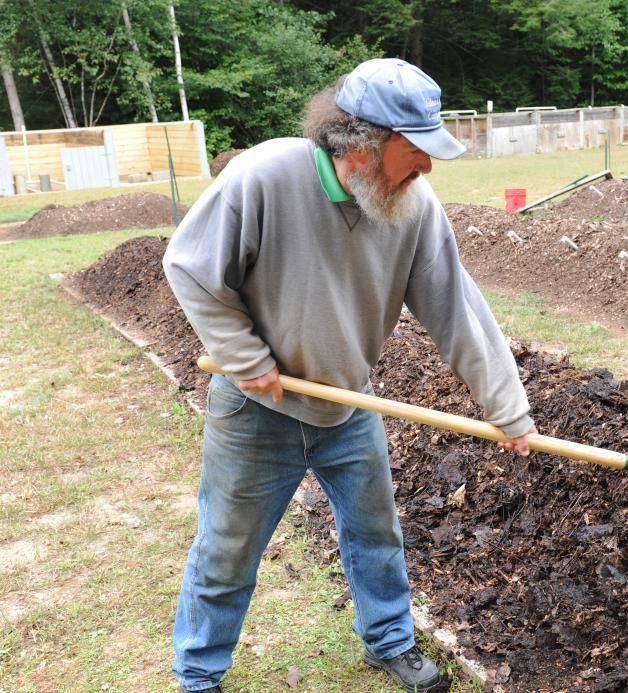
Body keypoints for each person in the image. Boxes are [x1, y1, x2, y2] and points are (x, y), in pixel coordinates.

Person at [163, 58, 536, 692]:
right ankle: (199, 672)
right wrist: (246, 359)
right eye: (416, 150)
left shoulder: (412, 207)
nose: (427, 166)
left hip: (349, 403)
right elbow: (192, 268)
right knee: (227, 549)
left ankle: (389, 641)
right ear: (361, 144)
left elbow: (458, 311)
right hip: (258, 410)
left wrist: (509, 410)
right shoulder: (266, 176)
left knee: (375, 534)